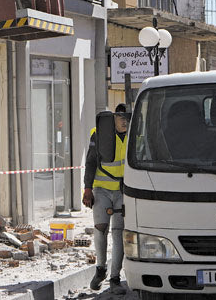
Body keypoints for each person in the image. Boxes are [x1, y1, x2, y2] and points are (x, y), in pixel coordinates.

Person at [83, 103, 128, 294]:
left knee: (118, 234)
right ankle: (100, 269)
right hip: (101, 190)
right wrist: (87, 189)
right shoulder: (100, 133)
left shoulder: (134, 134)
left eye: (127, 118)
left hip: (123, 192)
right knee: (100, 229)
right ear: (113, 118)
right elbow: (91, 161)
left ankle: (115, 278)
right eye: (121, 118)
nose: (125, 121)